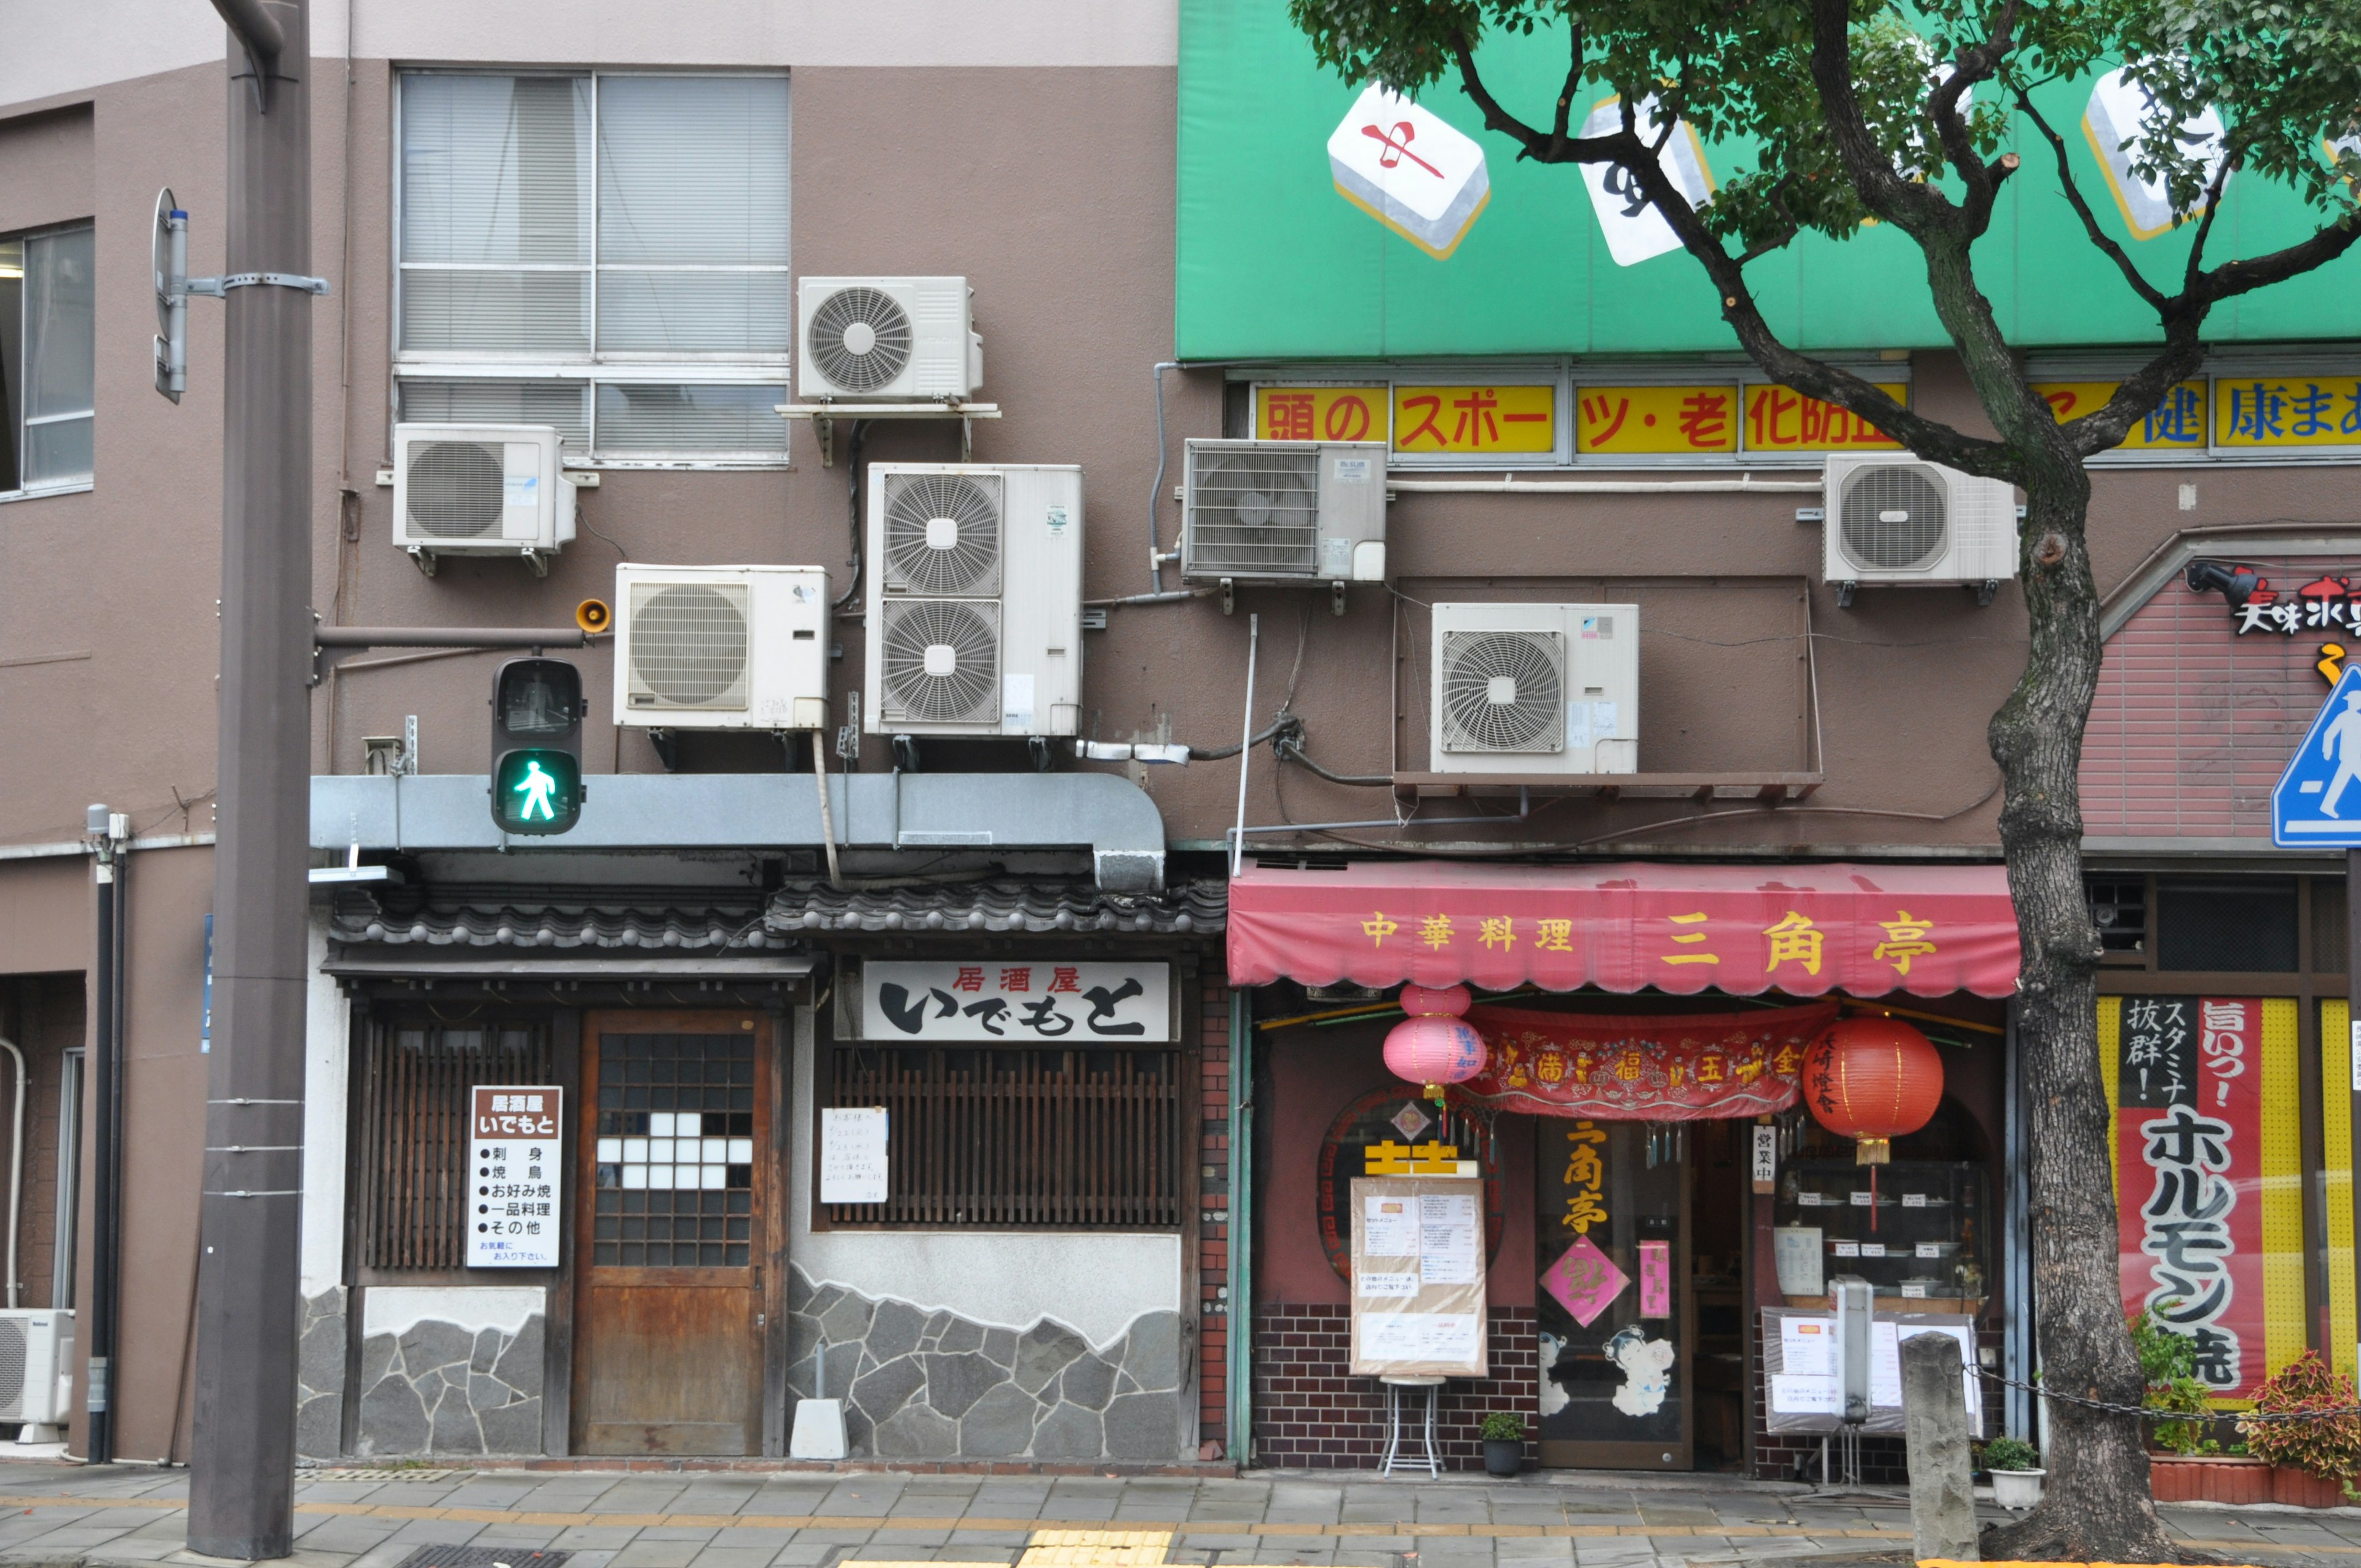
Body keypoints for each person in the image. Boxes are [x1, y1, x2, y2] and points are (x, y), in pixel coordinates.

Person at [2321, 689, 2361, 817]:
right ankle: (2327, 806)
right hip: (2349, 757)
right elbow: (2329, 733)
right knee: (2340, 781)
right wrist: (2327, 751)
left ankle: (2327, 806)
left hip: (2356, 757)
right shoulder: (2343, 716)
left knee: (2340, 780)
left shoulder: (2359, 719)